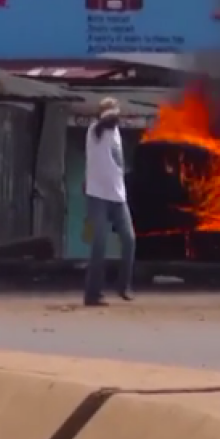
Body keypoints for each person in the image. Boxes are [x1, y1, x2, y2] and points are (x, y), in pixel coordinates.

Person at [83, 97, 137, 306]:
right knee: (99, 243)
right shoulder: (95, 130)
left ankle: (124, 286)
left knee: (129, 239)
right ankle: (92, 293)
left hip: (118, 196)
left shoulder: (116, 132)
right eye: (114, 113)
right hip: (97, 195)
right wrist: (111, 113)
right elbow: (106, 119)